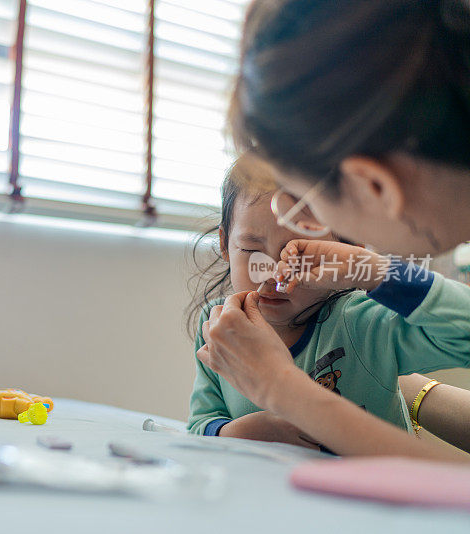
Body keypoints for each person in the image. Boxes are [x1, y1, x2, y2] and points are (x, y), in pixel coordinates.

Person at [198, 0, 470, 460]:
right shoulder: (220, 326)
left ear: (372, 184)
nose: (294, 222)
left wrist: (282, 389)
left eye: (305, 200)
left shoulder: (359, 321)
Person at [188, 157, 470, 454]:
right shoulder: (219, 324)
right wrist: (239, 431)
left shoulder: (362, 322)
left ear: (347, 248)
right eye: (250, 250)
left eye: (296, 254)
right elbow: (200, 423)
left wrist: (371, 271)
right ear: (224, 244)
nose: (273, 273)